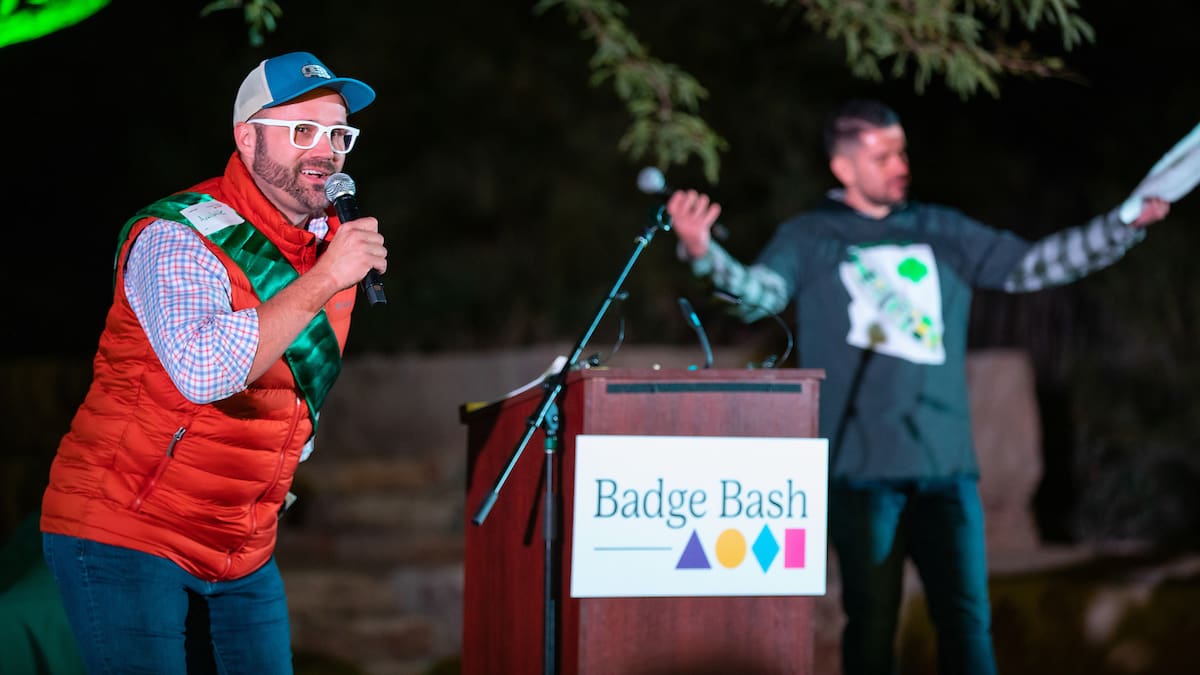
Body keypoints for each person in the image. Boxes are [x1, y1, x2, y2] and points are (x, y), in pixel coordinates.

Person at [665, 98, 1170, 675]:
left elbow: (1035, 266)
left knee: (966, 623)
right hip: (859, 473)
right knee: (871, 624)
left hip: (944, 467)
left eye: (901, 152)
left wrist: (1121, 227)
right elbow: (759, 294)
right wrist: (703, 252)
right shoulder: (810, 236)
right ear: (843, 167)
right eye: (881, 157)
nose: (899, 166)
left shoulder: (941, 230)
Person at [39, 51, 386, 673]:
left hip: (242, 545)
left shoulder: (329, 248)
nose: (325, 150)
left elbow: (294, 390)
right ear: (247, 137)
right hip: (128, 528)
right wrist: (326, 279)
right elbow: (205, 371)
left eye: (338, 134)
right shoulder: (178, 234)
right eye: (301, 130)